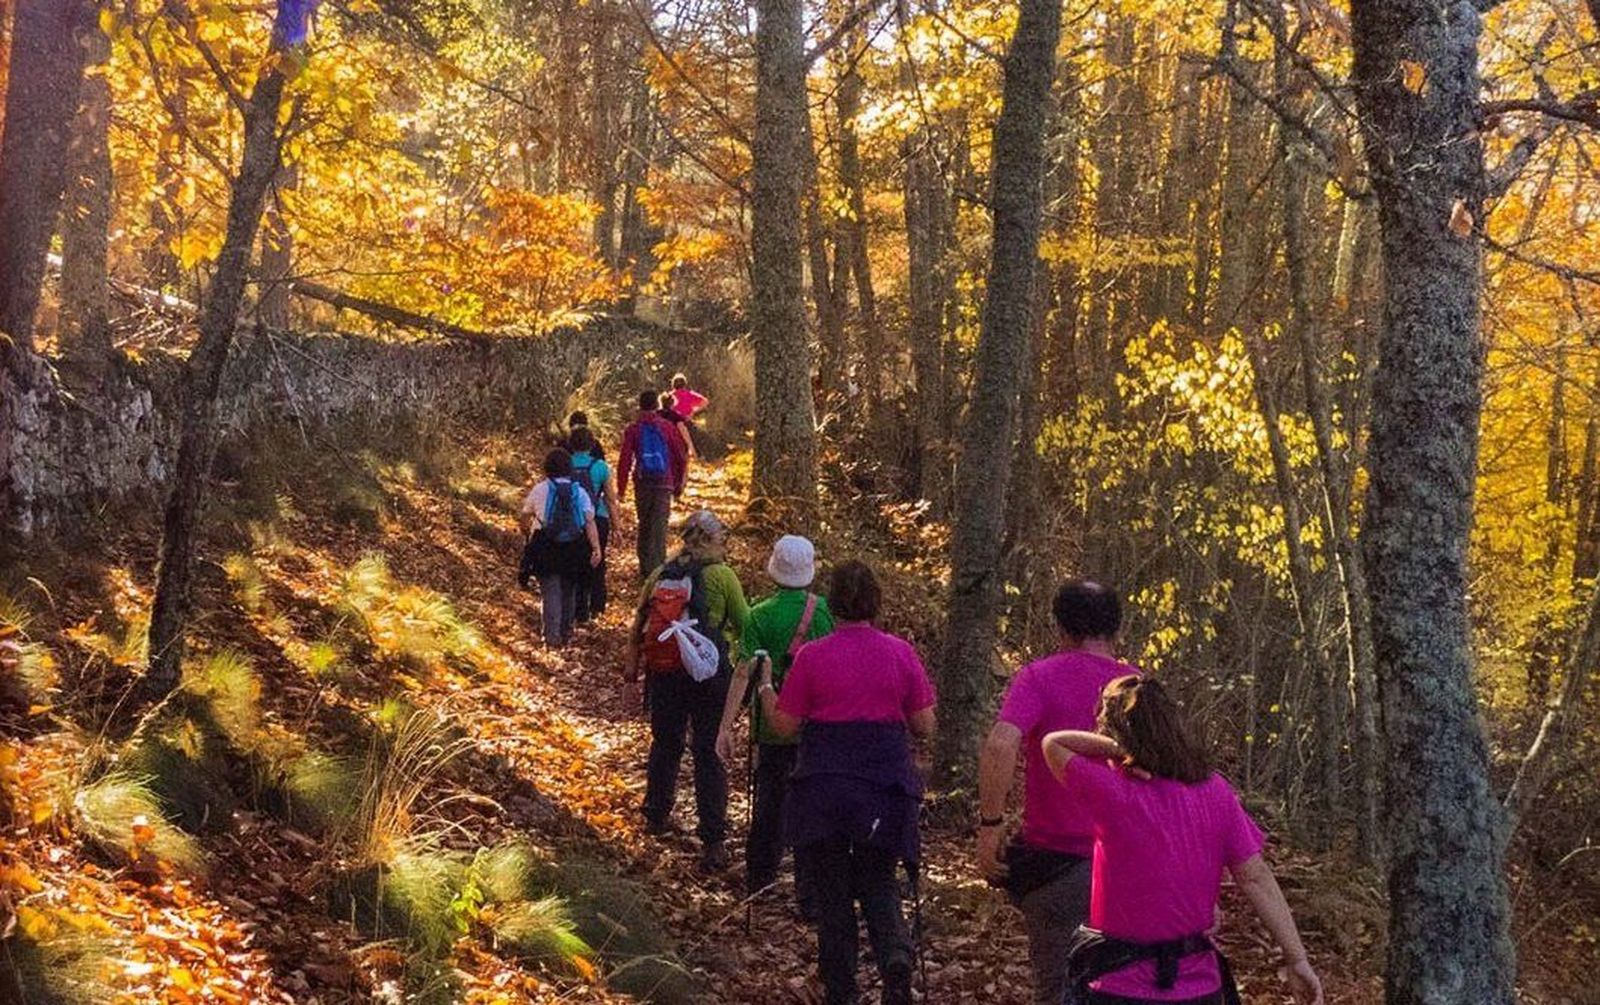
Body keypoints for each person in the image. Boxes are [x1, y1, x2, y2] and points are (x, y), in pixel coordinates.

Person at [1042, 676, 1323, 1005]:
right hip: (1199, 989)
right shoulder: (1215, 791)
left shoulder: (1114, 793)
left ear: (1114, 732)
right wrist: (1297, 958)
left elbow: (1053, 744)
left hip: (1119, 988)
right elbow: (1255, 877)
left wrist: (1120, 750)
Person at [756, 561, 934, 1005]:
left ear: (833, 604)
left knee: (832, 890)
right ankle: (895, 955)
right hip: (884, 787)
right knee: (879, 877)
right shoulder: (900, 653)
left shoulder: (813, 656)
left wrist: (764, 693)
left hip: (824, 787)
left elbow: (784, 727)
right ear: (875, 602)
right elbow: (925, 726)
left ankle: (841, 988)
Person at [975, 580, 1139, 1005]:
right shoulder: (1138, 689)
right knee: (1125, 988)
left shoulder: (1039, 677)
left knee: (1057, 988)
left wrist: (990, 825)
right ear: (1116, 629)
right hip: (1130, 864)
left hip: (1056, 867)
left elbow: (1000, 743)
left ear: (1061, 629)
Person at [715, 534, 835, 906]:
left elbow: (742, 673)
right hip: (817, 728)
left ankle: (760, 880)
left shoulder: (759, 615)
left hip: (772, 724)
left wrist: (725, 727)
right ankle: (810, 893)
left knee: (769, 803)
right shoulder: (827, 612)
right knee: (814, 807)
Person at [627, 510, 749, 872]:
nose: (725, 545)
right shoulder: (722, 576)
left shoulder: (661, 574)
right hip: (710, 676)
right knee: (708, 750)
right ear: (711, 541)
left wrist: (630, 675)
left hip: (664, 673)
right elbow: (744, 623)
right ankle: (713, 840)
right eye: (723, 538)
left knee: (666, 742)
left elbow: (638, 626)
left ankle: (655, 814)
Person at [518, 448, 603, 647]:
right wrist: (596, 547)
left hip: (545, 545)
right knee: (569, 589)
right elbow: (589, 521)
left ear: (547, 468)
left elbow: (525, 515)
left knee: (550, 592)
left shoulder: (540, 489)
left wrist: (527, 534)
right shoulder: (579, 491)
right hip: (574, 546)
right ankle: (566, 632)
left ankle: (551, 637)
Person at [619, 389, 689, 578]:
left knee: (645, 523)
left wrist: (621, 488)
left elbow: (625, 459)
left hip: (642, 483)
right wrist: (678, 483)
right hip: (664, 483)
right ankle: (657, 570)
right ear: (657, 406)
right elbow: (680, 455)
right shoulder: (667, 427)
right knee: (659, 525)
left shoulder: (634, 429)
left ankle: (644, 567)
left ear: (639, 406)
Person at [568, 427, 619, 624]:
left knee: (576, 561)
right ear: (592, 444)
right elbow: (611, 499)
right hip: (598, 518)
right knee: (597, 560)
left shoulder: (565, 464)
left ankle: (578, 608)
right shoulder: (601, 467)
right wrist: (617, 527)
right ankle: (597, 605)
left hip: (573, 519)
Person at [659, 391, 698, 463]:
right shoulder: (676, 416)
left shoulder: (656, 415)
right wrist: (692, 449)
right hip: (674, 448)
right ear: (673, 403)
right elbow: (684, 432)